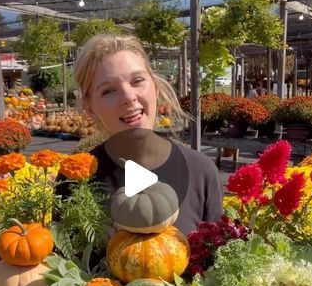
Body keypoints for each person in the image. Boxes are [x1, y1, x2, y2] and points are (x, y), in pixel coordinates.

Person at [56, 34, 223, 236]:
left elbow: (217, 258)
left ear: (156, 86)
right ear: (89, 107)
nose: (128, 97)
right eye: (108, 91)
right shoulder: (74, 179)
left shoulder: (201, 171)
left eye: (137, 81)